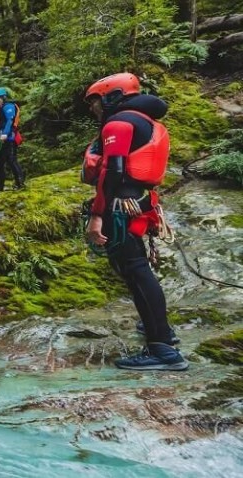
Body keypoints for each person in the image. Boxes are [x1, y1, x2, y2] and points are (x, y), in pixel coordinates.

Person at [81, 72, 187, 371]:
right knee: (134, 268)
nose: (94, 108)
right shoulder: (145, 122)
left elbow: (111, 172)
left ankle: (162, 349)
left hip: (120, 205)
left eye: (96, 101)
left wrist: (96, 215)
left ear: (112, 96)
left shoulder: (120, 123)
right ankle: (157, 329)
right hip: (137, 201)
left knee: (135, 269)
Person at [0, 87, 26, 193]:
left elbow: (10, 121)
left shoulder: (8, 106)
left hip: (9, 138)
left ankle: (20, 182)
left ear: (3, 98)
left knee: (11, 159)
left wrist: (5, 134)